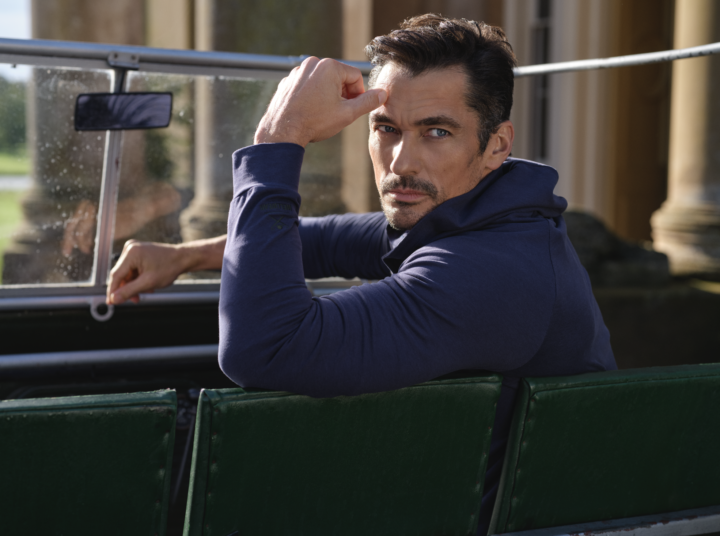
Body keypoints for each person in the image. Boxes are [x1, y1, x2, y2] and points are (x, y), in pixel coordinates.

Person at [107, 15, 616, 533]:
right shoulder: (475, 216)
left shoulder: (492, 271)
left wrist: (279, 140)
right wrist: (185, 255)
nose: (401, 162)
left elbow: (264, 348)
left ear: (496, 146)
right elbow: (324, 239)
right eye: (387, 129)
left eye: (437, 132)